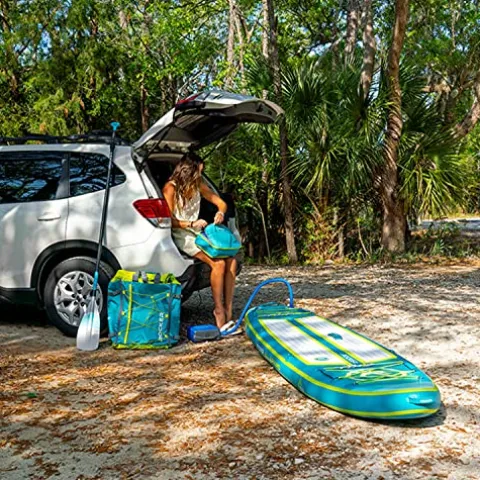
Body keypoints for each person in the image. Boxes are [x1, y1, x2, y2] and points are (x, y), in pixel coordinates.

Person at [162, 152, 237, 330]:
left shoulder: (198, 185)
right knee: (218, 263)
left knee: (232, 261)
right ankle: (218, 310)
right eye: (198, 172)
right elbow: (168, 221)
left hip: (197, 233)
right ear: (188, 170)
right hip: (182, 234)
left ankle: (228, 308)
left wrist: (220, 213)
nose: (200, 175)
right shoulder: (170, 188)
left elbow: (222, 203)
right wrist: (191, 223)